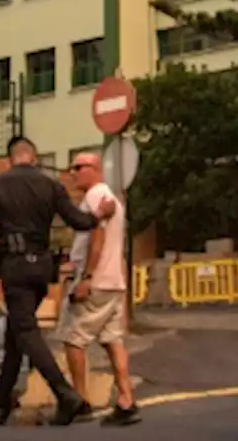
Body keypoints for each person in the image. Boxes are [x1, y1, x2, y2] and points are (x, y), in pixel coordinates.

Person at [0, 136, 115, 427]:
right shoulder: (50, 185)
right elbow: (79, 221)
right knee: (16, 333)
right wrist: (99, 214)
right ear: (33, 158)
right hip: (41, 269)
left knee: (25, 330)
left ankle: (66, 395)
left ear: (11, 159)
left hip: (15, 268)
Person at [61, 151, 140, 426]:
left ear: (94, 169)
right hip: (113, 283)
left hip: (96, 283)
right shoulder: (111, 199)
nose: (72, 172)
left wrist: (86, 278)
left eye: (78, 167)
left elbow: (98, 238)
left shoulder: (96, 197)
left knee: (73, 338)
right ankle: (127, 399)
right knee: (112, 340)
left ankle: (80, 402)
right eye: (72, 167)